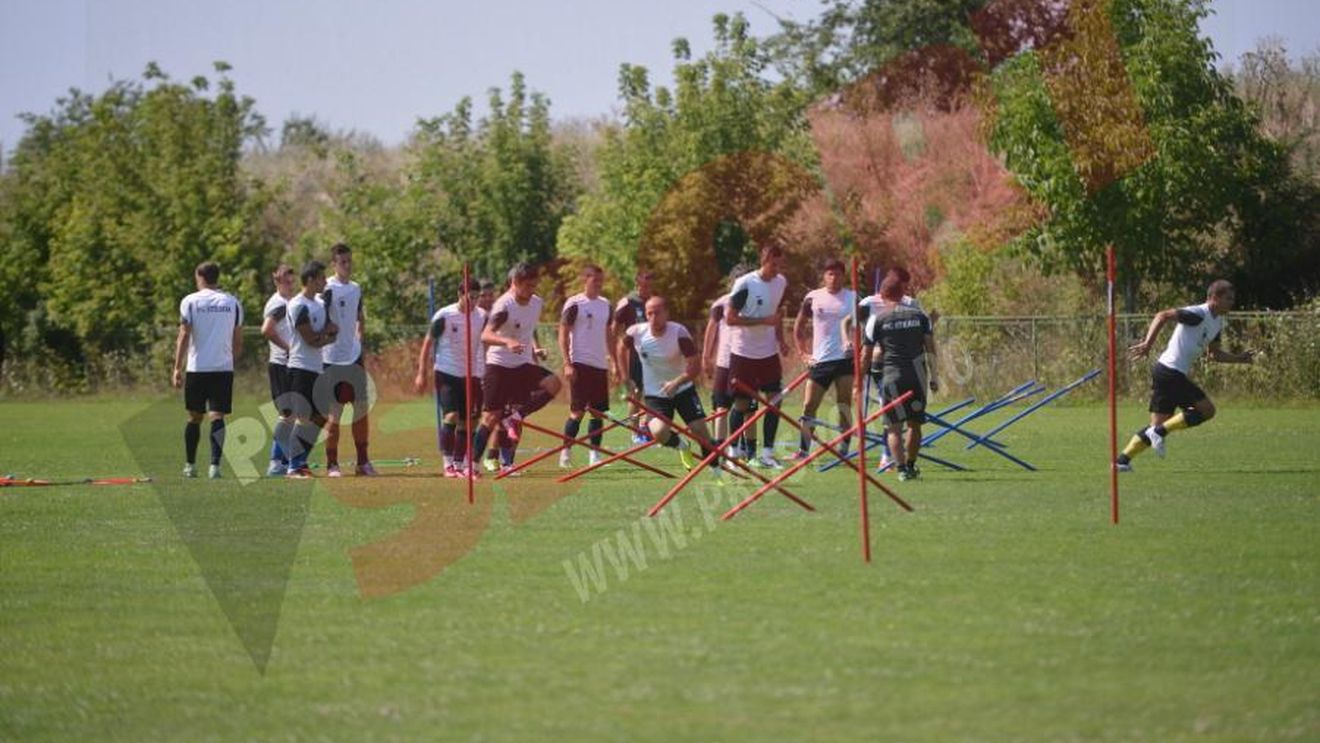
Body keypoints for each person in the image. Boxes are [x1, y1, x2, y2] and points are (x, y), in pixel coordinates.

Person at [1116, 280, 1253, 471]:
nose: (1232, 303)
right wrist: (1148, 344)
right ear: (1214, 298)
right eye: (1228, 299)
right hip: (1170, 372)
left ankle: (1121, 461)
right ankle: (1158, 432)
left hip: (1167, 372)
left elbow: (1214, 354)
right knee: (1207, 410)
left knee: (1158, 425)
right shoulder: (1197, 314)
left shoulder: (1217, 322)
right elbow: (1162, 315)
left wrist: (1239, 359)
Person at [473, 263, 563, 476]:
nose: (532, 290)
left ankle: (515, 418)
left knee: (554, 383)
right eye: (528, 286)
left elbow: (527, 329)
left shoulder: (536, 303)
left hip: (523, 364)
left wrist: (534, 348)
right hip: (499, 365)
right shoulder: (504, 307)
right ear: (515, 283)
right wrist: (507, 342)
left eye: (534, 285)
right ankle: (472, 465)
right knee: (491, 417)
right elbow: (485, 335)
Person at [620, 296, 717, 474]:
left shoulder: (679, 333)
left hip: (683, 390)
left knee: (699, 431)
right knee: (658, 432)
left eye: (657, 313)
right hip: (655, 396)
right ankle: (682, 445)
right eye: (649, 313)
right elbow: (621, 348)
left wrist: (676, 382)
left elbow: (695, 367)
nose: (653, 318)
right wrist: (625, 377)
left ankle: (715, 469)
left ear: (666, 313)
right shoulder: (636, 332)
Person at [861, 273, 939, 481]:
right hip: (917, 376)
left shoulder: (877, 319)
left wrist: (859, 381)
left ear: (883, 295)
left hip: (891, 377)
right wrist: (935, 377)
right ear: (902, 293)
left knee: (893, 427)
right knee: (915, 424)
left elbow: (866, 355)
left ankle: (902, 469)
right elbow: (931, 348)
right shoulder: (920, 316)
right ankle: (912, 465)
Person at [172, 261, 244, 479]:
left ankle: (190, 465)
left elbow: (184, 335)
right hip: (223, 368)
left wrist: (177, 367)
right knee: (217, 416)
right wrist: (231, 360)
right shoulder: (232, 302)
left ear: (199, 276)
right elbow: (238, 339)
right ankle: (215, 466)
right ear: (217, 277)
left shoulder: (190, 301)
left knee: (194, 417)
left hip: (197, 368)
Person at [726, 244, 791, 469]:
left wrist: (781, 340)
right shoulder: (745, 284)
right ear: (764, 261)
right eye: (774, 264)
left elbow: (777, 315)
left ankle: (767, 453)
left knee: (775, 401)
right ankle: (733, 454)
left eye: (780, 265)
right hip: (743, 352)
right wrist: (762, 321)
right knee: (742, 404)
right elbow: (730, 319)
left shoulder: (781, 282)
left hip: (768, 352)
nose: (777, 269)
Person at [415, 277, 487, 478]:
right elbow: (428, 342)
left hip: (471, 374)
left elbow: (487, 340)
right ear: (460, 295)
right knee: (451, 416)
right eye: (470, 297)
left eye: (476, 298)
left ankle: (460, 462)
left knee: (469, 421)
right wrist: (422, 372)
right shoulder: (445, 315)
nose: (473, 302)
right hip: (446, 371)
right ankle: (447, 463)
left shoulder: (482, 316)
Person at [791, 258, 857, 461]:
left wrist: (858, 347)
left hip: (845, 360)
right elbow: (799, 327)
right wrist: (803, 354)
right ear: (824, 276)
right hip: (820, 361)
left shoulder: (853, 297)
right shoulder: (813, 298)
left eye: (837, 274)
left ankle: (844, 449)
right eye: (830, 273)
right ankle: (803, 450)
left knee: (844, 404)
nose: (834, 277)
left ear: (843, 276)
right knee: (809, 405)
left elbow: (865, 325)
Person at [320, 243, 376, 477]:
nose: (347, 265)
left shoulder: (355, 288)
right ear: (334, 264)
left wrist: (359, 339)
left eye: (349, 261)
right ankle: (332, 464)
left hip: (353, 358)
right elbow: (318, 318)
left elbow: (359, 317)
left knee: (361, 410)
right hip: (332, 359)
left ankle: (362, 462)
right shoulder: (326, 289)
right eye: (342, 262)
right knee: (334, 414)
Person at [282, 261, 339, 479]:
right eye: (322, 278)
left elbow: (322, 333)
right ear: (311, 280)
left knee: (322, 416)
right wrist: (329, 335)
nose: (325, 281)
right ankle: (293, 467)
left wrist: (329, 330)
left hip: (316, 367)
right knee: (304, 417)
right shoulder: (298, 305)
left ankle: (300, 461)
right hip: (300, 367)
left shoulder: (317, 302)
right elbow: (311, 339)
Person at [557, 264, 614, 468]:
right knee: (577, 412)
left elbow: (609, 334)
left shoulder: (606, 304)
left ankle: (595, 456)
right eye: (595, 280)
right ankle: (565, 453)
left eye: (601, 280)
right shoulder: (575, 303)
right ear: (585, 279)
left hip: (600, 365)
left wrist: (614, 361)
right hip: (579, 363)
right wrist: (567, 363)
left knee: (598, 413)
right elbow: (563, 333)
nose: (599, 284)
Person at [260, 263, 297, 476]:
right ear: (276, 280)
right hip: (280, 364)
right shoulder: (278, 304)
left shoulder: (290, 302)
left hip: (291, 364)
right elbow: (267, 329)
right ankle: (275, 461)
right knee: (287, 414)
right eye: (284, 278)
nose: (289, 282)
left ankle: (284, 460)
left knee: (293, 414)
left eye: (291, 278)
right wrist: (289, 348)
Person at [613, 269, 655, 444]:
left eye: (650, 285)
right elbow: (614, 328)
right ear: (637, 284)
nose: (647, 288)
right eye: (644, 285)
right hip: (634, 356)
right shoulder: (628, 302)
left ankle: (647, 428)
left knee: (653, 394)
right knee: (636, 393)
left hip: (652, 354)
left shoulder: (653, 303)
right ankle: (634, 431)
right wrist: (622, 345)